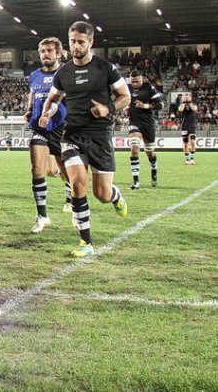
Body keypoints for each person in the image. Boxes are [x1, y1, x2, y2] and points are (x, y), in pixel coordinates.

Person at [39, 21, 131, 258]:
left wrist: (108, 109)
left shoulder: (105, 68)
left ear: (91, 43)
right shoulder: (64, 72)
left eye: (81, 42)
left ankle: (115, 196)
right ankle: (85, 242)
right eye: (72, 41)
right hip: (72, 134)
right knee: (78, 183)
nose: (76, 46)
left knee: (102, 194)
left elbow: (125, 97)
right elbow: (54, 98)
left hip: (99, 136)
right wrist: (47, 113)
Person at [25, 37, 68, 234]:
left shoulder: (66, 73)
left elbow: (61, 100)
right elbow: (33, 94)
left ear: (58, 54)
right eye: (43, 51)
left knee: (66, 172)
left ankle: (72, 199)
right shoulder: (34, 75)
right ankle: (42, 216)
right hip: (39, 128)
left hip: (61, 127)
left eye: (50, 51)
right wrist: (28, 109)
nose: (46, 54)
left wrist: (49, 113)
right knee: (37, 170)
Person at [127, 70, 164, 188]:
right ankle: (136, 181)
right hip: (134, 122)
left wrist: (144, 106)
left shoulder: (149, 88)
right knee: (134, 148)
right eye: (132, 82)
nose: (134, 84)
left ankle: (154, 170)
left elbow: (160, 105)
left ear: (142, 79)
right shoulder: (128, 88)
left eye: (137, 81)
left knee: (150, 153)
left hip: (148, 123)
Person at [178, 93, 198, 165]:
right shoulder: (182, 105)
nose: (186, 97)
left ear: (190, 97)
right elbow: (180, 109)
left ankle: (192, 158)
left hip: (192, 126)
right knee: (185, 143)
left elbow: (194, 108)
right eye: (185, 96)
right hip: (184, 126)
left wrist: (189, 102)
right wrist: (183, 101)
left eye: (188, 96)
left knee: (192, 142)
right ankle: (187, 159)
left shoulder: (193, 104)